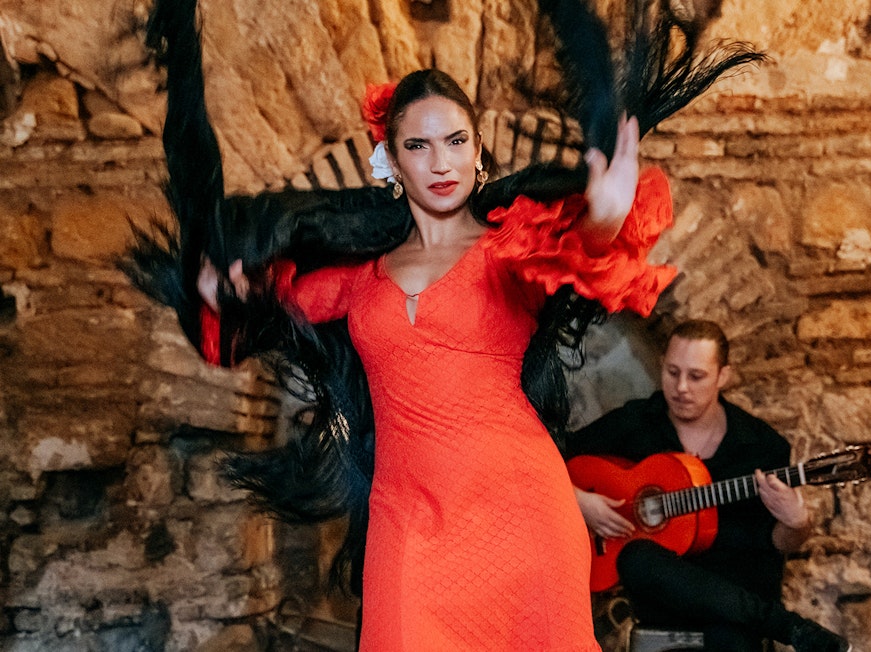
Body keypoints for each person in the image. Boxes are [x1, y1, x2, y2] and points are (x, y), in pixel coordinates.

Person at [122, 0, 768, 649]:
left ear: (478, 153)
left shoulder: (509, 250)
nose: (440, 162)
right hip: (409, 524)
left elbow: (588, 257)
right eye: (419, 145)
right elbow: (248, 323)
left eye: (456, 141)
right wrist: (218, 289)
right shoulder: (357, 275)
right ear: (392, 160)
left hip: (524, 516)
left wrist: (602, 216)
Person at [567, 320, 851, 652]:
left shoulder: (760, 446)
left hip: (734, 611)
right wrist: (581, 501)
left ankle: (774, 624)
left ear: (723, 376)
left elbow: (776, 544)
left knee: (731, 634)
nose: (681, 387)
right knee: (635, 558)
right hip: (665, 605)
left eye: (696, 376)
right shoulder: (636, 422)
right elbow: (548, 458)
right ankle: (790, 627)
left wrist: (797, 523)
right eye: (672, 372)